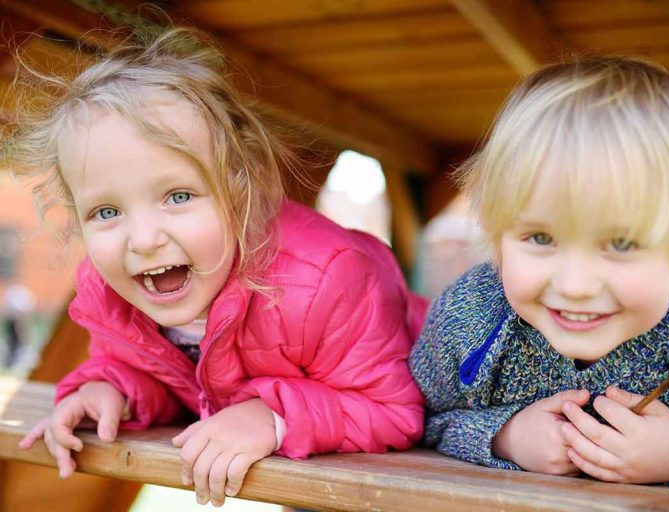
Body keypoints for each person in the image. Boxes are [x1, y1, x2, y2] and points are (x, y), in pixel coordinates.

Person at [4, 27, 427, 506]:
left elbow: (395, 410)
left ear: (237, 188)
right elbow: (164, 374)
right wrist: (110, 390)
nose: (143, 240)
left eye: (178, 196)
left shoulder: (326, 278)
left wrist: (270, 417)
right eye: (106, 212)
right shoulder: (108, 290)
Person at [409, 57, 669, 492]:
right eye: (540, 237)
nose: (575, 286)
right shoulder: (466, 319)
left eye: (620, 244)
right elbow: (420, 419)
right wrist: (504, 436)